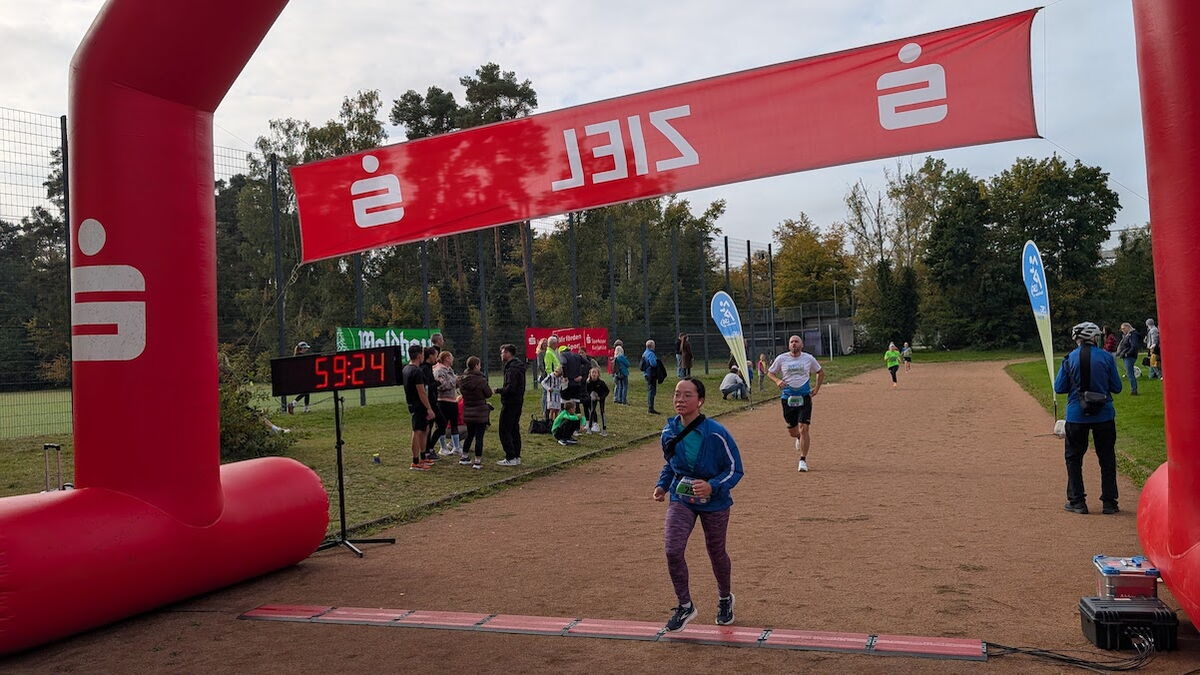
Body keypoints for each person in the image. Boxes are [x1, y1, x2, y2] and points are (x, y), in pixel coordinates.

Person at [653, 377, 744, 631]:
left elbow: (735, 469)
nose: (680, 400)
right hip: (682, 498)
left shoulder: (716, 433)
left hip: (715, 502)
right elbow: (670, 464)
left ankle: (725, 599)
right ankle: (685, 606)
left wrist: (711, 486)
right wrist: (662, 485)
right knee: (672, 550)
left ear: (700, 401)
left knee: (716, 552)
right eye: (677, 394)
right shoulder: (669, 432)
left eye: (687, 395)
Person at [1053, 322, 1122, 515]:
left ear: (1077, 339)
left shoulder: (1069, 358)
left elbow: (1059, 387)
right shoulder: (1106, 357)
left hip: (1077, 414)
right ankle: (1109, 503)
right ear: (1094, 338)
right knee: (1107, 458)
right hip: (1104, 414)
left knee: (1074, 458)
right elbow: (1117, 387)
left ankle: (1077, 502)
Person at [767, 335, 825, 472]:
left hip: (804, 397)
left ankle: (803, 460)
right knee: (793, 432)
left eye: (796, 341)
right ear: (789, 345)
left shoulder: (808, 358)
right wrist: (777, 381)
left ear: (801, 345)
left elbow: (820, 372)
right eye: (791, 342)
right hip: (787, 398)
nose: (794, 344)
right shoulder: (781, 358)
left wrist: (816, 388)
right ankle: (798, 437)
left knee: (804, 428)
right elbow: (770, 373)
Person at [402, 344, 437, 471]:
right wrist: (429, 408)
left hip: (413, 403)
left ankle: (423, 457)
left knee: (424, 429)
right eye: (422, 353)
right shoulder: (416, 371)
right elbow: (421, 392)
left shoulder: (406, 369)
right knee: (417, 431)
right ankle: (415, 461)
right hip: (418, 405)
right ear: (418, 356)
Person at [458, 356, 493, 469]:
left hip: (468, 410)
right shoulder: (481, 380)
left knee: (469, 434)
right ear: (476, 366)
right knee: (479, 437)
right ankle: (477, 461)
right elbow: (488, 393)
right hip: (480, 411)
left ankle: (464, 456)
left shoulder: (463, 380)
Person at [496, 344, 526, 466]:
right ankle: (516, 456)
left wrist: (498, 390)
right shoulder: (518, 366)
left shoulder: (512, 369)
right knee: (514, 429)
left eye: (503, 352)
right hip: (518, 401)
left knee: (504, 430)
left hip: (510, 402)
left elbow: (511, 388)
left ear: (508, 353)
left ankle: (510, 456)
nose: (501, 355)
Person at [431, 351, 463, 458]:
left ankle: (456, 447)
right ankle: (443, 447)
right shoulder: (439, 370)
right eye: (451, 357)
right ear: (446, 358)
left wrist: (458, 381)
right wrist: (454, 382)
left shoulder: (449, 370)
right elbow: (441, 385)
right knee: (442, 425)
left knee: (454, 423)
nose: (452, 359)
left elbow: (450, 381)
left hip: (452, 400)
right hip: (442, 401)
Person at [421, 346, 443, 461]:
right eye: (435, 355)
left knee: (440, 424)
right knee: (430, 426)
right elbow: (426, 387)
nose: (437, 358)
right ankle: (427, 450)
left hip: (433, 401)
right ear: (430, 356)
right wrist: (437, 383)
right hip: (429, 403)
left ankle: (429, 448)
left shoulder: (429, 367)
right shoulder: (424, 368)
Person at [1115, 322, 1140, 395]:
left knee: (1130, 373)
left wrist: (1127, 354)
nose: (1122, 330)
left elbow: (1134, 346)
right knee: (1129, 373)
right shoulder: (1127, 335)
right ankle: (1133, 389)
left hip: (1129, 356)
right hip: (1127, 355)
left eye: (1123, 328)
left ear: (1128, 327)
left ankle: (1134, 390)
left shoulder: (1133, 335)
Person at [585, 367, 610, 436]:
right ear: (590, 374)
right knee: (592, 411)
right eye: (592, 372)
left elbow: (607, 391)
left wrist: (601, 397)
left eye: (595, 372)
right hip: (594, 397)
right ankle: (589, 428)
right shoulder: (588, 382)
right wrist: (591, 395)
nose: (594, 374)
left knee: (602, 411)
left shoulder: (601, 382)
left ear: (598, 374)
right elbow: (587, 391)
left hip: (601, 397)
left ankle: (604, 429)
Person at [288, 341, 312, 414]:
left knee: (307, 392)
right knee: (305, 392)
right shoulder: (300, 357)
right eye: (306, 348)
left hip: (301, 377)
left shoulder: (297, 356)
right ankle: (293, 404)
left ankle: (306, 409)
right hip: (301, 377)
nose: (307, 349)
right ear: (302, 349)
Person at [641, 339, 662, 415]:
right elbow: (653, 364)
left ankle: (650, 406)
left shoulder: (645, 353)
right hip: (651, 374)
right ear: (652, 346)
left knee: (650, 390)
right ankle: (651, 408)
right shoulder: (651, 354)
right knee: (652, 391)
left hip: (646, 374)